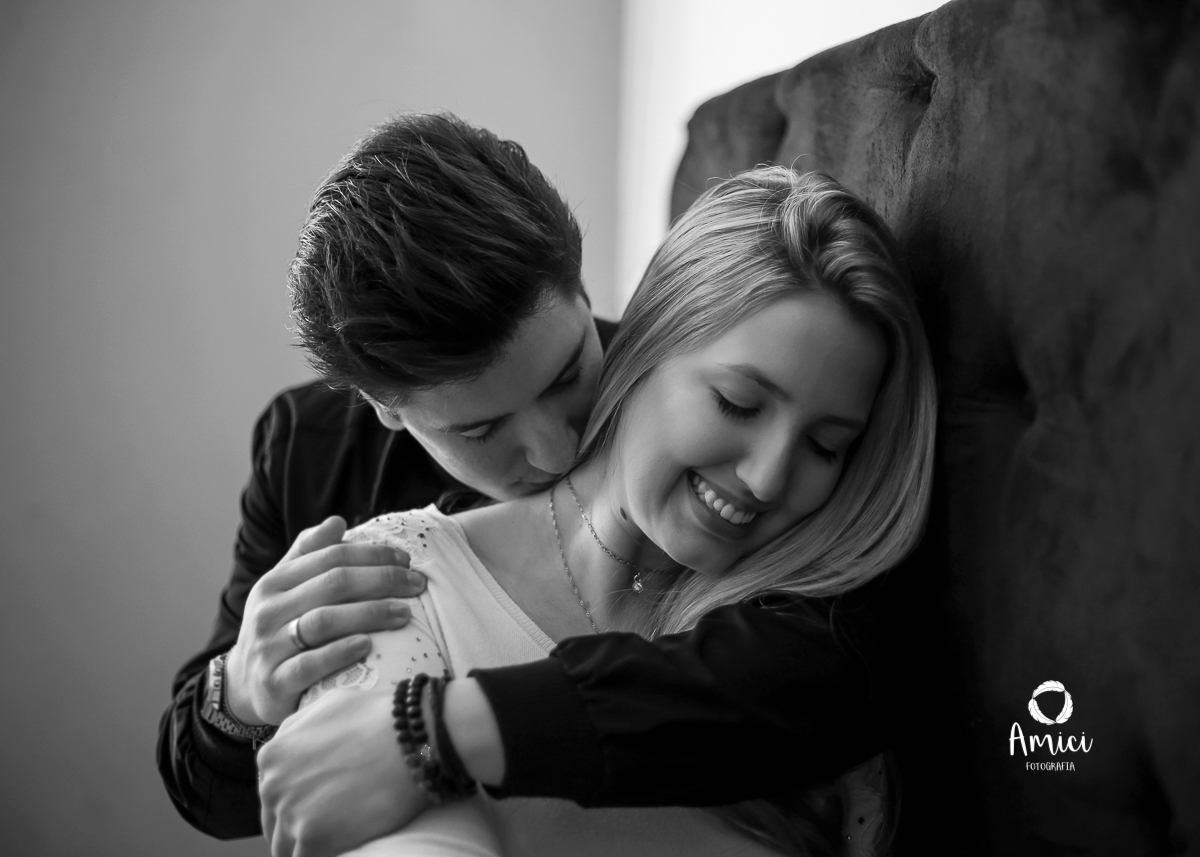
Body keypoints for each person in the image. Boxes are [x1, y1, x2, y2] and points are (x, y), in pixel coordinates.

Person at [156, 113, 908, 842]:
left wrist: (443, 730)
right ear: (387, 410)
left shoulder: (703, 376)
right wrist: (241, 689)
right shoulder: (313, 455)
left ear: (586, 294)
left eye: (567, 375)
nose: (555, 450)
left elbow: (832, 664)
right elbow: (219, 799)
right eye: (481, 430)